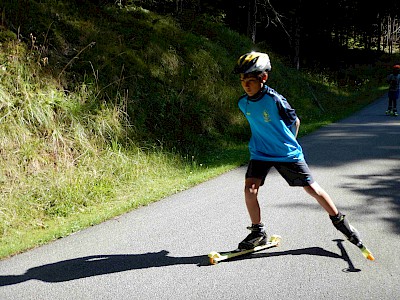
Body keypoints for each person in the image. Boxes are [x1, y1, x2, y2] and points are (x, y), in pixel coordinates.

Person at [233, 51, 363, 251]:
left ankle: (341, 222)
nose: (246, 85)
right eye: (243, 81)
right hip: (260, 153)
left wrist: (288, 142)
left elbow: (296, 121)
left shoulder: (275, 100)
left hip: (287, 153)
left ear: (263, 78)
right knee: (250, 189)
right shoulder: (244, 103)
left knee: (311, 189)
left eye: (250, 80)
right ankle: (258, 232)